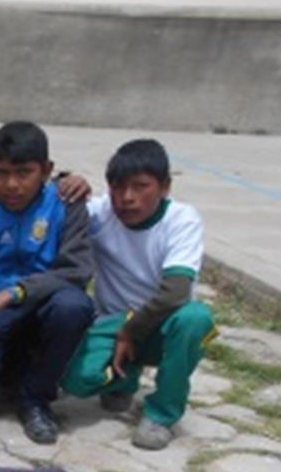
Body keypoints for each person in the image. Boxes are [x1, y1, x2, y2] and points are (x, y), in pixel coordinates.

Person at [0, 121, 95, 445]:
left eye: (24, 173)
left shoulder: (67, 204)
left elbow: (76, 270)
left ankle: (36, 400)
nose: (12, 185)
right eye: (1, 173)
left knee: (74, 306)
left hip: (49, 299)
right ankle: (16, 366)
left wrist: (16, 293)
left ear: (46, 171)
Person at [61, 138, 217, 450]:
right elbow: (53, 208)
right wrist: (63, 182)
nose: (127, 198)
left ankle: (162, 413)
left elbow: (175, 293)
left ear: (165, 187)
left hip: (161, 325)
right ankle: (124, 377)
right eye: (118, 187)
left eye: (140, 186)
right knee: (76, 382)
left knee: (196, 318)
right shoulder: (101, 213)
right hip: (112, 323)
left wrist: (130, 332)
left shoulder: (182, 220)